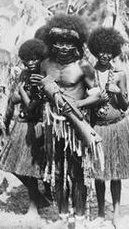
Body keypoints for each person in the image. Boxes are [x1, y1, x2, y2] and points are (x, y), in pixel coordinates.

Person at [40, 14, 101, 227]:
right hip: (52, 125)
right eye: (59, 42)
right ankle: (64, 214)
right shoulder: (45, 64)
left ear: (76, 44)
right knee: (57, 170)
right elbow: (41, 94)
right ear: (51, 43)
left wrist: (77, 106)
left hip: (76, 125)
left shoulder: (83, 66)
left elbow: (99, 95)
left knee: (76, 172)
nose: (64, 47)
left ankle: (81, 216)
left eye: (69, 43)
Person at [87, 27, 129, 227]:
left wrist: (117, 92)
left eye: (109, 51)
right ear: (95, 50)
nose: (104, 55)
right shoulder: (88, 73)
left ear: (114, 52)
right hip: (97, 127)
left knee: (115, 173)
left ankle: (116, 213)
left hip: (117, 126)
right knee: (99, 174)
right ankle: (101, 213)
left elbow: (125, 105)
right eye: (101, 50)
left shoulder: (119, 74)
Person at [0, 38, 48, 217]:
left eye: (35, 58)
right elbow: (13, 99)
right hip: (21, 123)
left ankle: (34, 206)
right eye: (28, 59)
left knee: (31, 169)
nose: (31, 62)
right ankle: (40, 198)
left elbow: (32, 106)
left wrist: (22, 92)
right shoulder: (24, 75)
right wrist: (20, 93)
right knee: (10, 165)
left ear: (41, 58)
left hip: (36, 125)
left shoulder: (42, 77)